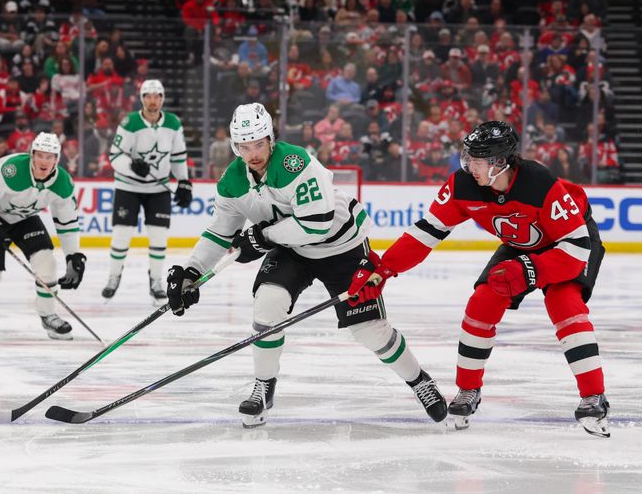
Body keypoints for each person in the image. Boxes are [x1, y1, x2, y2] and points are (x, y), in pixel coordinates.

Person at [166, 102, 446, 428]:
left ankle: (419, 380)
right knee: (268, 305)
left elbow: (317, 224)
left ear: (271, 139)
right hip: (290, 248)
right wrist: (192, 271)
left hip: (341, 246)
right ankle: (263, 386)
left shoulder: (295, 162)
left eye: (258, 143)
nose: (253, 152)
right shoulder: (232, 180)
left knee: (369, 331)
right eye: (244, 146)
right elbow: (220, 232)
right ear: (235, 146)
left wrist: (260, 238)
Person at [347, 121, 610, 437]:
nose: (467, 165)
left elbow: (578, 248)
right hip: (521, 244)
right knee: (482, 303)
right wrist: (385, 267)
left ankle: (594, 396)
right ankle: (468, 390)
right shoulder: (462, 185)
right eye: (467, 157)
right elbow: (426, 232)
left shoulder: (540, 183)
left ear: (500, 162)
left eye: (476, 160)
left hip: (569, 244)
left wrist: (531, 269)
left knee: (563, 303)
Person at [0, 133, 87, 340]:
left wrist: (73, 255)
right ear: (32, 155)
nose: (44, 161)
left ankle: (48, 314)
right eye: (40, 156)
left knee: (47, 263)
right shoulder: (11, 170)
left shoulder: (63, 183)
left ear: (57, 159)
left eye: (50, 157)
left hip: (23, 219)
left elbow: (68, 222)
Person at [103, 80, 192, 303]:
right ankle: (113, 277)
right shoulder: (130, 122)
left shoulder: (173, 123)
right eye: (148, 96)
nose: (153, 100)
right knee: (121, 235)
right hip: (127, 187)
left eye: (157, 96)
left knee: (159, 236)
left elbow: (179, 155)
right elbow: (115, 156)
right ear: (142, 99)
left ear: (162, 98)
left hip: (158, 188)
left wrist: (184, 182)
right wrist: (131, 166)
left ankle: (156, 281)